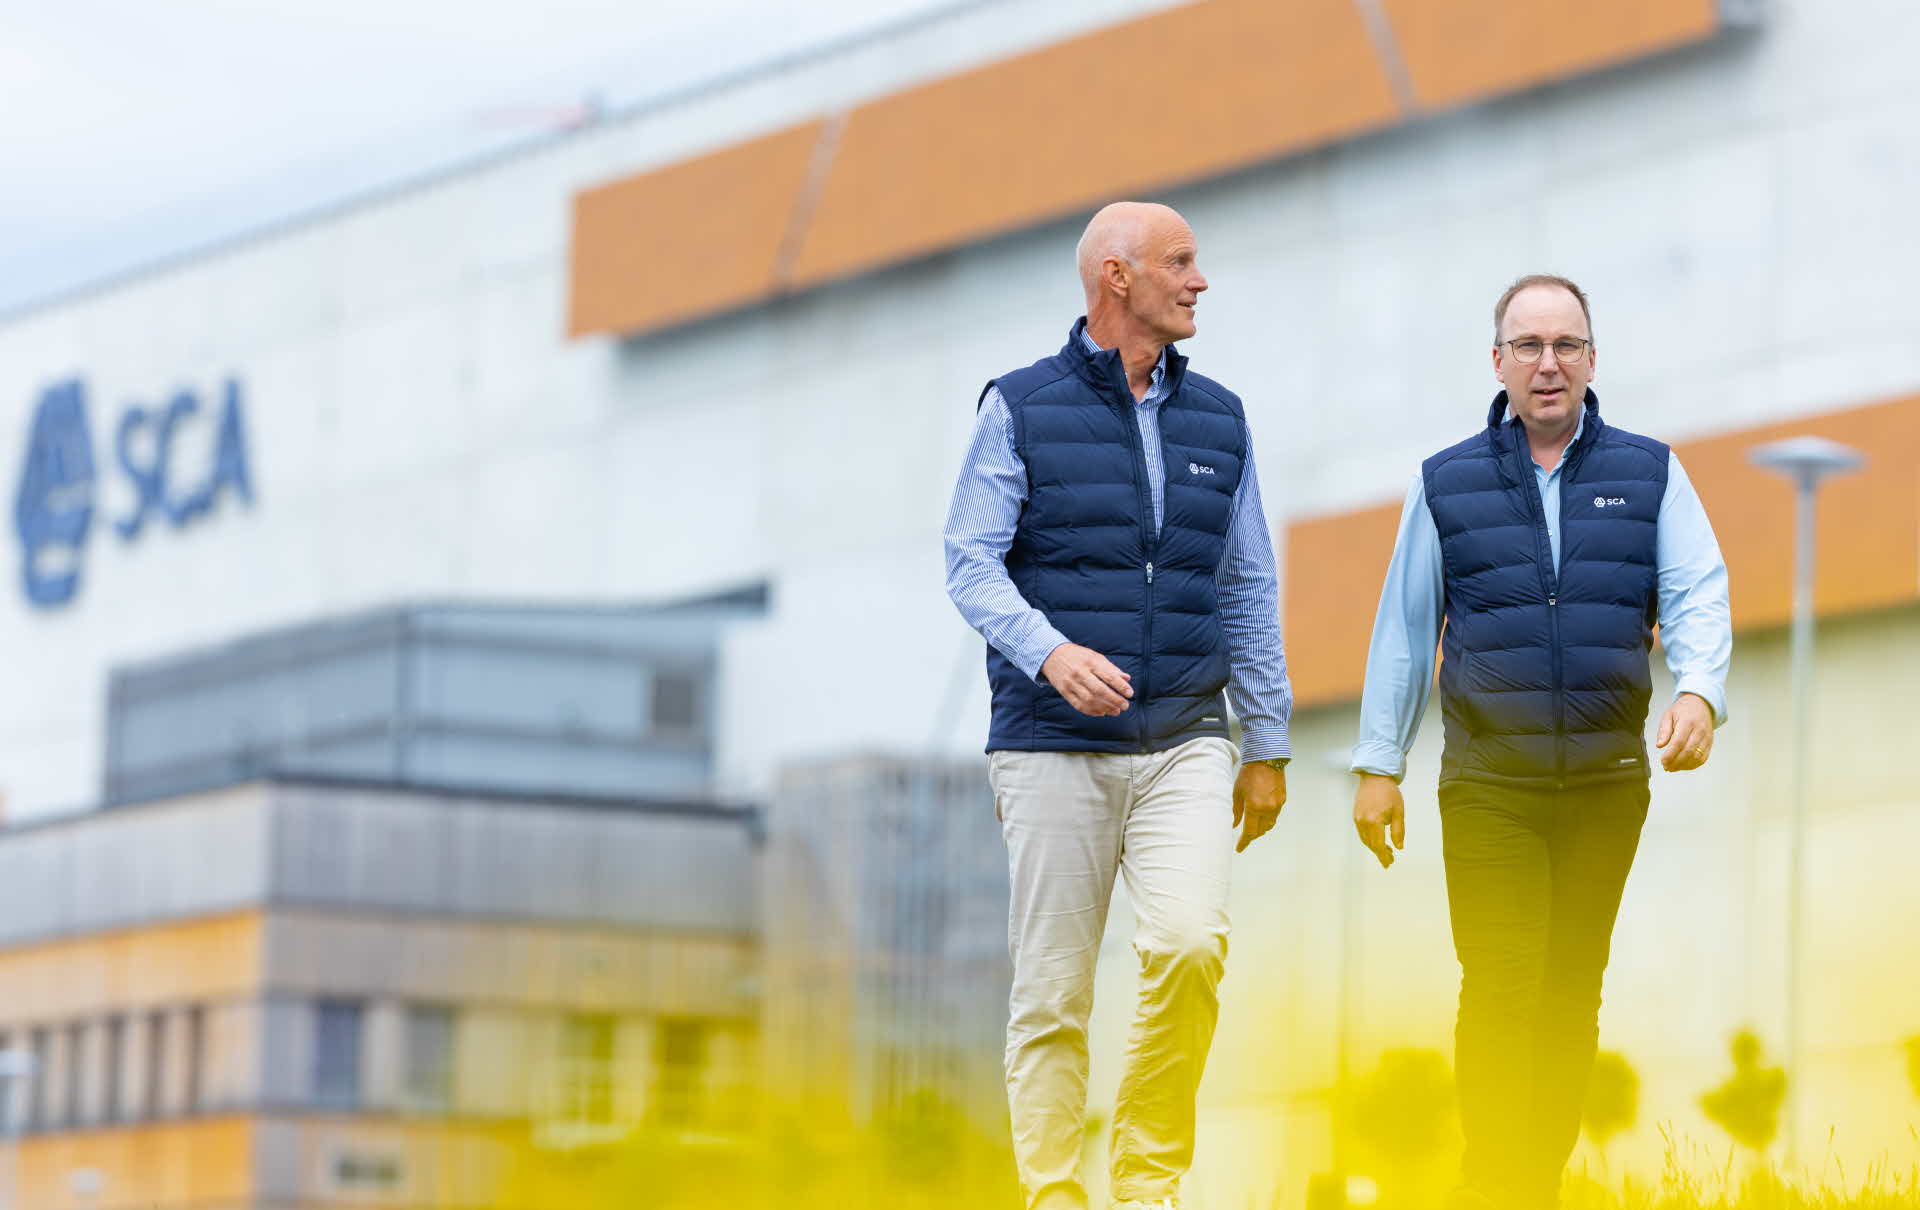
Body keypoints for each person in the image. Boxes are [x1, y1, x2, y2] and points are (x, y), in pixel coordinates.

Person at [1348, 274, 1732, 1209]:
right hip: (1489, 784)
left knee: (1570, 986)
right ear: (1499, 363)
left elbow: (1695, 590)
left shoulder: (1650, 472)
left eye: (1566, 345)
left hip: (1606, 782)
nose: (1548, 363)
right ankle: (1496, 1182)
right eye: (1528, 345)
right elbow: (1404, 628)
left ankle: (1537, 1181)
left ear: (1593, 359)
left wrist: (1700, 694)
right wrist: (1378, 765)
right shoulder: (1445, 483)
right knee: (1502, 981)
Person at [943, 201, 1293, 1210]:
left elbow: (1247, 582)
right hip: (1052, 744)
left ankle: (1147, 1182)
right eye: (1181, 262)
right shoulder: (1018, 407)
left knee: (1189, 945)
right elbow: (969, 561)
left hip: (1186, 735)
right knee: (1054, 992)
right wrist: (1049, 653)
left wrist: (1265, 739)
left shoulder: (1220, 418)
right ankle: (1053, 1193)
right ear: (1117, 278)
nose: (1200, 280)